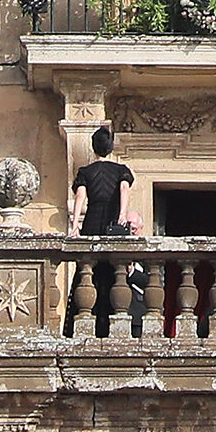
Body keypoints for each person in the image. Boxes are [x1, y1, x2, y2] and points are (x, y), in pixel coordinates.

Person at [70, 128, 135, 336]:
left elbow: (80, 198)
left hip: (91, 223)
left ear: (93, 147)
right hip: (111, 224)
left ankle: (87, 318)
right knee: (113, 271)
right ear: (111, 146)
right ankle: (109, 322)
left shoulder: (85, 172)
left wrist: (74, 226)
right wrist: (122, 215)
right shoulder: (121, 170)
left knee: (89, 271)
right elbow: (124, 189)